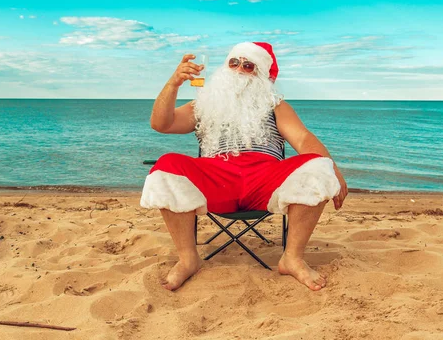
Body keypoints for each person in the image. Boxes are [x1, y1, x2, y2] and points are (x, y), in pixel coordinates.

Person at [140, 42, 348, 291]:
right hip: (215, 181)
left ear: (261, 75)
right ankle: (188, 259)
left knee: (316, 166)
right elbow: (161, 124)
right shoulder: (204, 104)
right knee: (168, 164)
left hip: (265, 181)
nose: (239, 69)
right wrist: (173, 83)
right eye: (234, 62)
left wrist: (331, 170)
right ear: (225, 67)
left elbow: (303, 139)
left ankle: (292, 258)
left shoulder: (275, 105)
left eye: (249, 65)